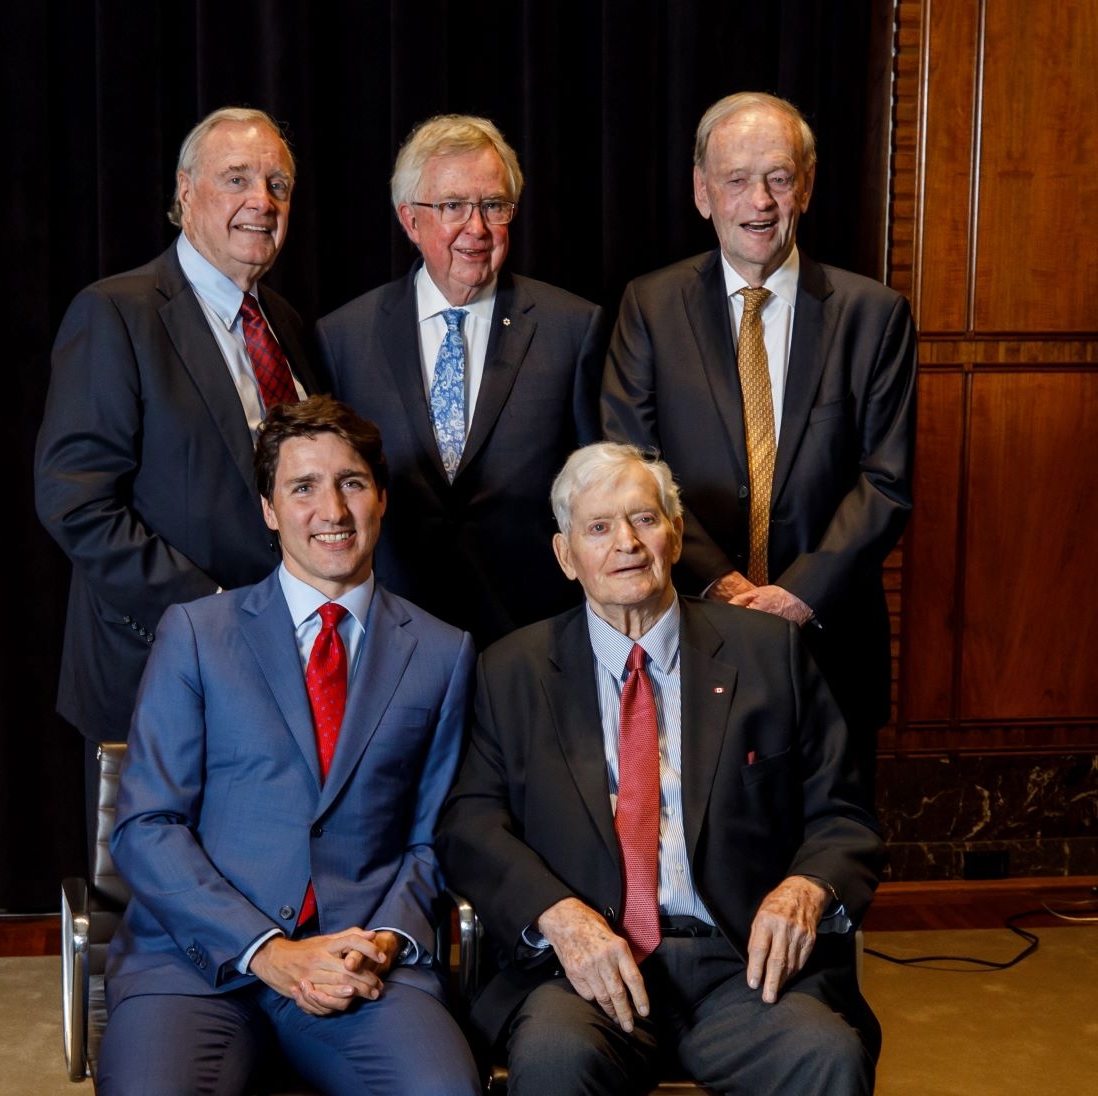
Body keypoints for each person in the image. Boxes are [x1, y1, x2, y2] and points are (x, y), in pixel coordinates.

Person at [437, 442, 885, 1096]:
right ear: (566, 556)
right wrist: (558, 915)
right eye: (598, 527)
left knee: (827, 1056)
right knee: (555, 1059)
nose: (626, 543)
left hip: (744, 964)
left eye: (644, 519)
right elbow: (469, 824)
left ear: (675, 536)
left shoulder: (770, 653)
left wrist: (806, 888)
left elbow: (842, 816)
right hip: (587, 971)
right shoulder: (512, 670)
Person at [96, 396, 480, 1096]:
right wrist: (267, 952)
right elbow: (148, 825)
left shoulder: (443, 653)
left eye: (351, 483)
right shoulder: (197, 633)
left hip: (359, 964)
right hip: (194, 964)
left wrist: (384, 940)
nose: (331, 510)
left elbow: (433, 839)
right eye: (303, 487)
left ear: (381, 498)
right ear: (270, 510)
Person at [602, 92, 916, 798]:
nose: (760, 201)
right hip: (687, 627)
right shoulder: (649, 307)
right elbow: (631, 467)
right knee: (705, 837)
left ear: (806, 184)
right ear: (701, 191)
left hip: (831, 638)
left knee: (833, 841)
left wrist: (798, 596)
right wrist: (720, 583)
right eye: (737, 179)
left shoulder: (874, 316)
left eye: (778, 177)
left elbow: (886, 482)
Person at [34, 107, 321, 839]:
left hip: (288, 669)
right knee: (162, 894)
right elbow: (77, 503)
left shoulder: (286, 324)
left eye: (278, 184)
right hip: (160, 665)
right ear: (186, 192)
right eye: (237, 179)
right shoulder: (117, 313)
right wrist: (217, 617)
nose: (262, 201)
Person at [315, 113, 604, 650]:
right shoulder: (343, 337)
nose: (477, 228)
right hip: (392, 634)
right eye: (453, 206)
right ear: (410, 220)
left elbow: (596, 491)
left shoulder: (572, 327)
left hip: (532, 632)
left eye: (493, 205)